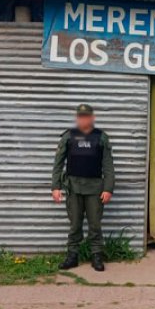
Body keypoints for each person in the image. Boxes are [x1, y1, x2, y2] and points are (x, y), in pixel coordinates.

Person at [51, 103, 114, 272]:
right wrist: (55, 187)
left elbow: (108, 166)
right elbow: (58, 163)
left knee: (95, 225)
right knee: (75, 225)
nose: (83, 119)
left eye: (86, 116)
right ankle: (72, 256)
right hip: (74, 188)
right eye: (81, 116)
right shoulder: (69, 137)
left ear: (92, 118)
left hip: (95, 189)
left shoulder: (101, 137)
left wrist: (108, 189)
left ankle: (96, 256)